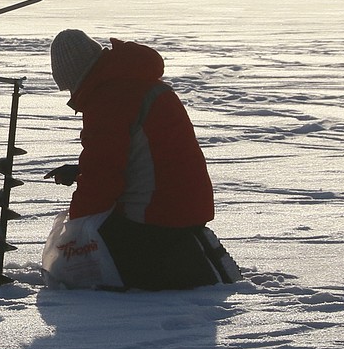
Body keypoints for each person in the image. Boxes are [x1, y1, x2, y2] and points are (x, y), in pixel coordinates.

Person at [44, 29, 239, 290]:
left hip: (156, 212)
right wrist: (81, 171)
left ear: (77, 75)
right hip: (186, 203)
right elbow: (144, 155)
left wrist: (76, 230)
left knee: (108, 256)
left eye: (68, 85)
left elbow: (103, 178)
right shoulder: (138, 82)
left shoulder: (109, 98)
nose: (70, 94)